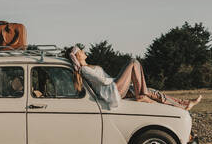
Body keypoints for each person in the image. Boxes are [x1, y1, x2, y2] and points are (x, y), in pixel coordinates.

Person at [66, 46, 202, 110]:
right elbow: (102, 81)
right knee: (133, 62)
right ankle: (142, 94)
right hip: (112, 90)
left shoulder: (88, 66)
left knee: (152, 91)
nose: (84, 52)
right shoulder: (84, 69)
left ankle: (183, 104)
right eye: (81, 51)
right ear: (77, 56)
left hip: (114, 87)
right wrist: (118, 79)